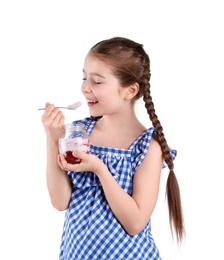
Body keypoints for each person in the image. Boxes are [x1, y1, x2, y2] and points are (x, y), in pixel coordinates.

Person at [41, 36, 185, 260]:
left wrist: (100, 169)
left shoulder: (147, 146)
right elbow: (60, 202)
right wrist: (53, 139)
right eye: (84, 77)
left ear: (130, 91)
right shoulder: (80, 133)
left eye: (97, 81)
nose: (85, 87)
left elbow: (135, 223)